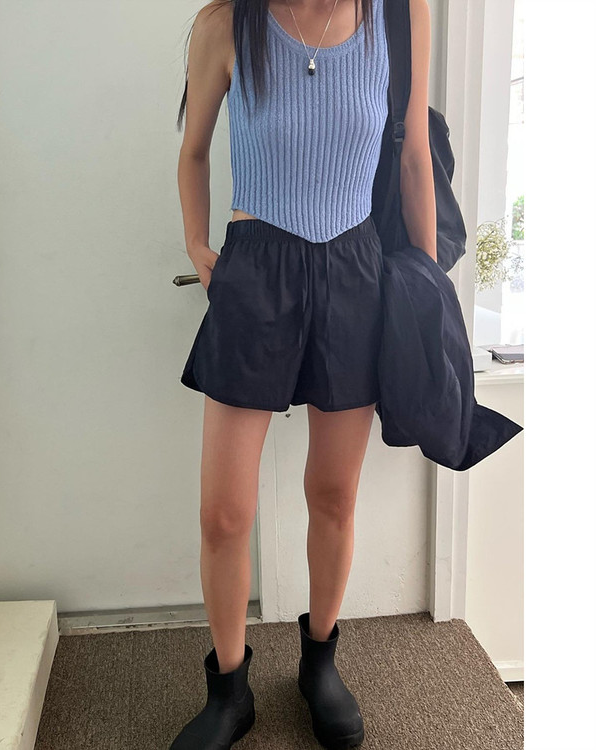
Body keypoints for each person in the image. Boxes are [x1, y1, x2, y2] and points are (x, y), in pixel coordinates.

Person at [173, 0, 435, 747]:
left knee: (333, 494)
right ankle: (229, 690)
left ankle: (320, 662)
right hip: (255, 271)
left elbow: (413, 156)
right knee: (224, 514)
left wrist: (429, 291)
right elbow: (194, 151)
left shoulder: (399, 15)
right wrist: (198, 245)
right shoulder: (226, 25)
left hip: (355, 271)